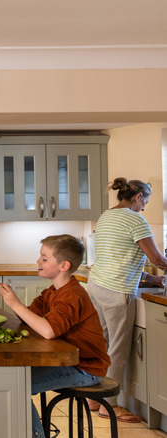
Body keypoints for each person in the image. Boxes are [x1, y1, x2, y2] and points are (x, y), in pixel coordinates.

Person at [0, 235, 110, 438]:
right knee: (11, 377)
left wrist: (14, 303)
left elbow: (49, 331)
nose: (38, 262)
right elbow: (29, 317)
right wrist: (13, 302)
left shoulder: (72, 295)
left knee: (17, 385)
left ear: (64, 265)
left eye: (44, 258)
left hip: (86, 368)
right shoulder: (52, 291)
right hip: (66, 362)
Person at [86, 177, 167, 422]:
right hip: (116, 291)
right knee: (118, 349)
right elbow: (158, 260)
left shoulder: (106, 215)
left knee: (103, 345)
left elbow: (120, 259)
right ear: (137, 197)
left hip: (96, 285)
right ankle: (108, 405)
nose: (145, 208)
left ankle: (92, 398)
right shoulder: (135, 219)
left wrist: (155, 281)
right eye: (146, 202)